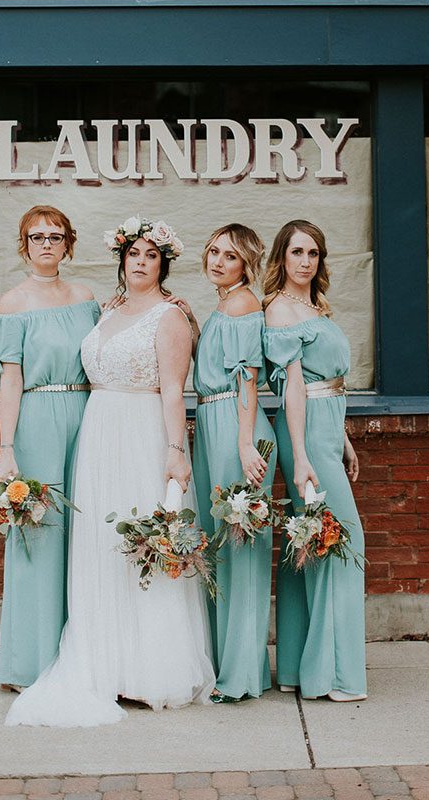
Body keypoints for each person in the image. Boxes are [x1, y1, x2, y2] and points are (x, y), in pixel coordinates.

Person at [6, 216, 215, 727]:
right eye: (133, 254)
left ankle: (148, 669)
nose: (140, 262)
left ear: (163, 263)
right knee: (99, 548)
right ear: (121, 259)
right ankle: (105, 662)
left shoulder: (170, 316)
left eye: (151, 255)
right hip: (97, 434)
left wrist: (176, 450)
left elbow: (174, 389)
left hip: (143, 434)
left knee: (140, 544)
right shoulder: (107, 309)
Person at [0, 205, 99, 692]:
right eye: (37, 237)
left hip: (87, 414)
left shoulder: (86, 298)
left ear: (68, 244)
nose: (47, 244)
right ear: (25, 245)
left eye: (56, 236)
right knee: (40, 531)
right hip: (37, 418)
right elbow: (10, 379)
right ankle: (32, 661)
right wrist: (7, 446)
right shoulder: (13, 303)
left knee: (84, 532)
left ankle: (83, 655)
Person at [263, 219, 367, 703]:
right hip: (303, 433)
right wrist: (302, 455)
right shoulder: (280, 310)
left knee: (308, 544)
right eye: (297, 252)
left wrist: (342, 438)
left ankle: (298, 668)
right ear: (282, 257)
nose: (306, 261)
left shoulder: (316, 307)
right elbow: (295, 389)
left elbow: (328, 385)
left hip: (327, 428)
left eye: (314, 253)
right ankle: (336, 674)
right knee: (340, 540)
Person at [192, 224, 275, 703]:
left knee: (241, 552)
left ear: (246, 265)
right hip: (211, 427)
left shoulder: (243, 304)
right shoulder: (221, 306)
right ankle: (228, 665)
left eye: (230, 256)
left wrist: (245, 445)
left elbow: (248, 381)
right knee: (219, 546)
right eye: (214, 251)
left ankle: (241, 675)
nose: (218, 261)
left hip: (236, 428)